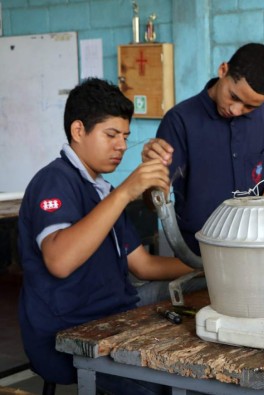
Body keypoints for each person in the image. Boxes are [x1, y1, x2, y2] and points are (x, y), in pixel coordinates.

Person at [18, 78, 196, 393]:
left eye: (125, 136)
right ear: (78, 131)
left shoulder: (103, 191)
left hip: (115, 315)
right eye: (111, 135)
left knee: (199, 303)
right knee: (164, 386)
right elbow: (59, 261)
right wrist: (126, 192)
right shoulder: (54, 182)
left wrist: (208, 266)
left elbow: (143, 266)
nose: (122, 146)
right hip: (68, 330)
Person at [142, 43, 264, 255]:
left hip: (256, 242)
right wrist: (150, 174)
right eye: (234, 97)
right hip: (198, 251)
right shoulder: (180, 121)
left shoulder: (263, 111)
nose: (236, 110)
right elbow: (154, 202)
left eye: (249, 107)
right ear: (223, 70)